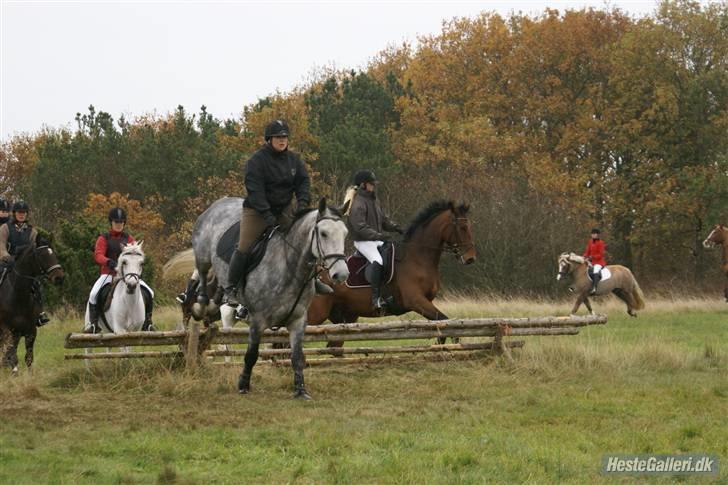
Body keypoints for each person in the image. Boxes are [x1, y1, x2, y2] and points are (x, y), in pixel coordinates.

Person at [224, 119, 317, 319]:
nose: (282, 141)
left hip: (283, 208)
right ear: (269, 139)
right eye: (278, 137)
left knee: (304, 240)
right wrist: (266, 214)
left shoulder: (293, 160)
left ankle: (313, 281)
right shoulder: (257, 161)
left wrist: (302, 204)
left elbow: (303, 182)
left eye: (284, 137)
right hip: (257, 211)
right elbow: (255, 190)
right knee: (244, 247)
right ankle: (230, 288)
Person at [84, 207, 155, 333]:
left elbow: (136, 252)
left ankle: (147, 322)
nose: (119, 225)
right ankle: (93, 324)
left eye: (121, 222)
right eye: (116, 222)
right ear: (111, 222)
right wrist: (108, 262)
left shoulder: (129, 238)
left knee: (149, 292)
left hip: (127, 275)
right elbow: (98, 255)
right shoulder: (103, 238)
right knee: (93, 294)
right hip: (109, 274)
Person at [348, 170, 403, 310]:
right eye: (371, 184)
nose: (373, 186)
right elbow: (360, 228)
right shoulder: (357, 203)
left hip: (374, 239)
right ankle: (376, 300)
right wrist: (379, 236)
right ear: (362, 185)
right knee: (377, 260)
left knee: (392, 254)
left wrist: (396, 228)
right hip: (363, 241)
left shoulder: (374, 200)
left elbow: (384, 220)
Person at [0, 200, 50, 326]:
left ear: (26, 214)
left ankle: (39, 314)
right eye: (19, 212)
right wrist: (7, 257)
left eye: (24, 213)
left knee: (37, 285)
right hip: (7, 263)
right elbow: (1, 245)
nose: (21, 215)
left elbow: (34, 248)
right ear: (14, 213)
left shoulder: (32, 231)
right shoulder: (5, 228)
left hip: (24, 266)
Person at [583, 227, 607, 295]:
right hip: (591, 262)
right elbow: (587, 251)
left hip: (599, 262)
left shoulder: (601, 243)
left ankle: (594, 288)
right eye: (592, 234)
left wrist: (592, 257)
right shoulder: (590, 242)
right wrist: (584, 256)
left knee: (596, 270)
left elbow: (601, 254)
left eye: (594, 234)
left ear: (597, 235)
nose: (593, 235)